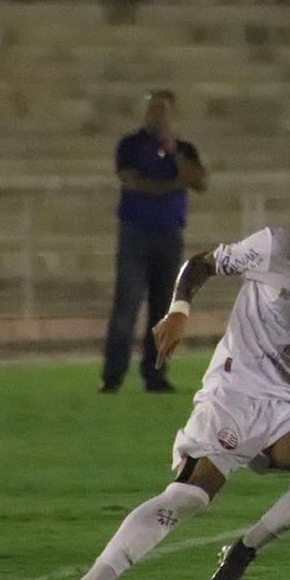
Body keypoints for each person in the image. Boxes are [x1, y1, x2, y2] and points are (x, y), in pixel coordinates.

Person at [57, 175, 290, 580]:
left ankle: (244, 550)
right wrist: (178, 312)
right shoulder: (278, 248)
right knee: (190, 495)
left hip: (288, 411)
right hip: (233, 393)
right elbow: (201, 264)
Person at [101, 89, 207, 394]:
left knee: (163, 310)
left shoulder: (183, 148)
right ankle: (113, 376)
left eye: (163, 110)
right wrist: (172, 185)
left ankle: (156, 374)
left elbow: (199, 181)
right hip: (135, 233)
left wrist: (176, 157)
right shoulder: (131, 145)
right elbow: (132, 182)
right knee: (127, 305)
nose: (157, 115)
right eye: (153, 109)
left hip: (169, 235)